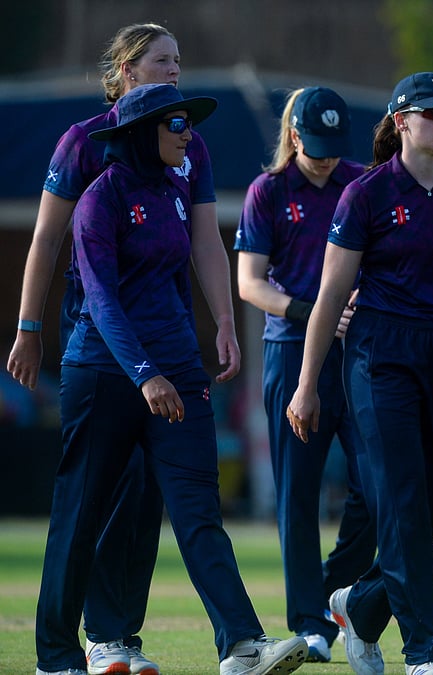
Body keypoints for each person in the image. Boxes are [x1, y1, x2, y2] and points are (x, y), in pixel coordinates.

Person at [36, 83, 310, 675]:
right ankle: (57, 657)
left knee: (197, 512)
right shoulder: (98, 201)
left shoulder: (176, 190)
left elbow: (203, 255)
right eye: (176, 123)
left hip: (179, 373)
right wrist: (143, 374)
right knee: (80, 517)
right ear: (141, 132)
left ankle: (241, 645)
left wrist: (217, 330)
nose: (188, 133)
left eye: (188, 123)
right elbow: (103, 303)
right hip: (105, 373)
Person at [286, 71, 433, 675]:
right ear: (400, 122)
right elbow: (332, 294)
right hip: (378, 355)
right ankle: (427, 652)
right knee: (403, 501)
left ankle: (360, 608)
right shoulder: (364, 195)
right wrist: (308, 383)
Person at [12, 23, 219, 675]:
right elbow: (46, 241)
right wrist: (27, 326)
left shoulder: (190, 147)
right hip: (99, 352)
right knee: (86, 502)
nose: (174, 72)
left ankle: (113, 638)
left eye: (179, 62)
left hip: (168, 347)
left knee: (143, 502)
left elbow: (207, 242)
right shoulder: (83, 145)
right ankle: (58, 648)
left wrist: (224, 325)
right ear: (127, 70)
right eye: (161, 61)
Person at [234, 86, 377, 663]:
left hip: (359, 355)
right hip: (292, 349)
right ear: (294, 136)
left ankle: (330, 590)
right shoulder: (268, 192)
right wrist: (311, 311)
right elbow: (250, 281)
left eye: (332, 146)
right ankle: (308, 621)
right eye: (314, 145)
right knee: (298, 493)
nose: (324, 157)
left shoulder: (361, 184)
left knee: (376, 486)